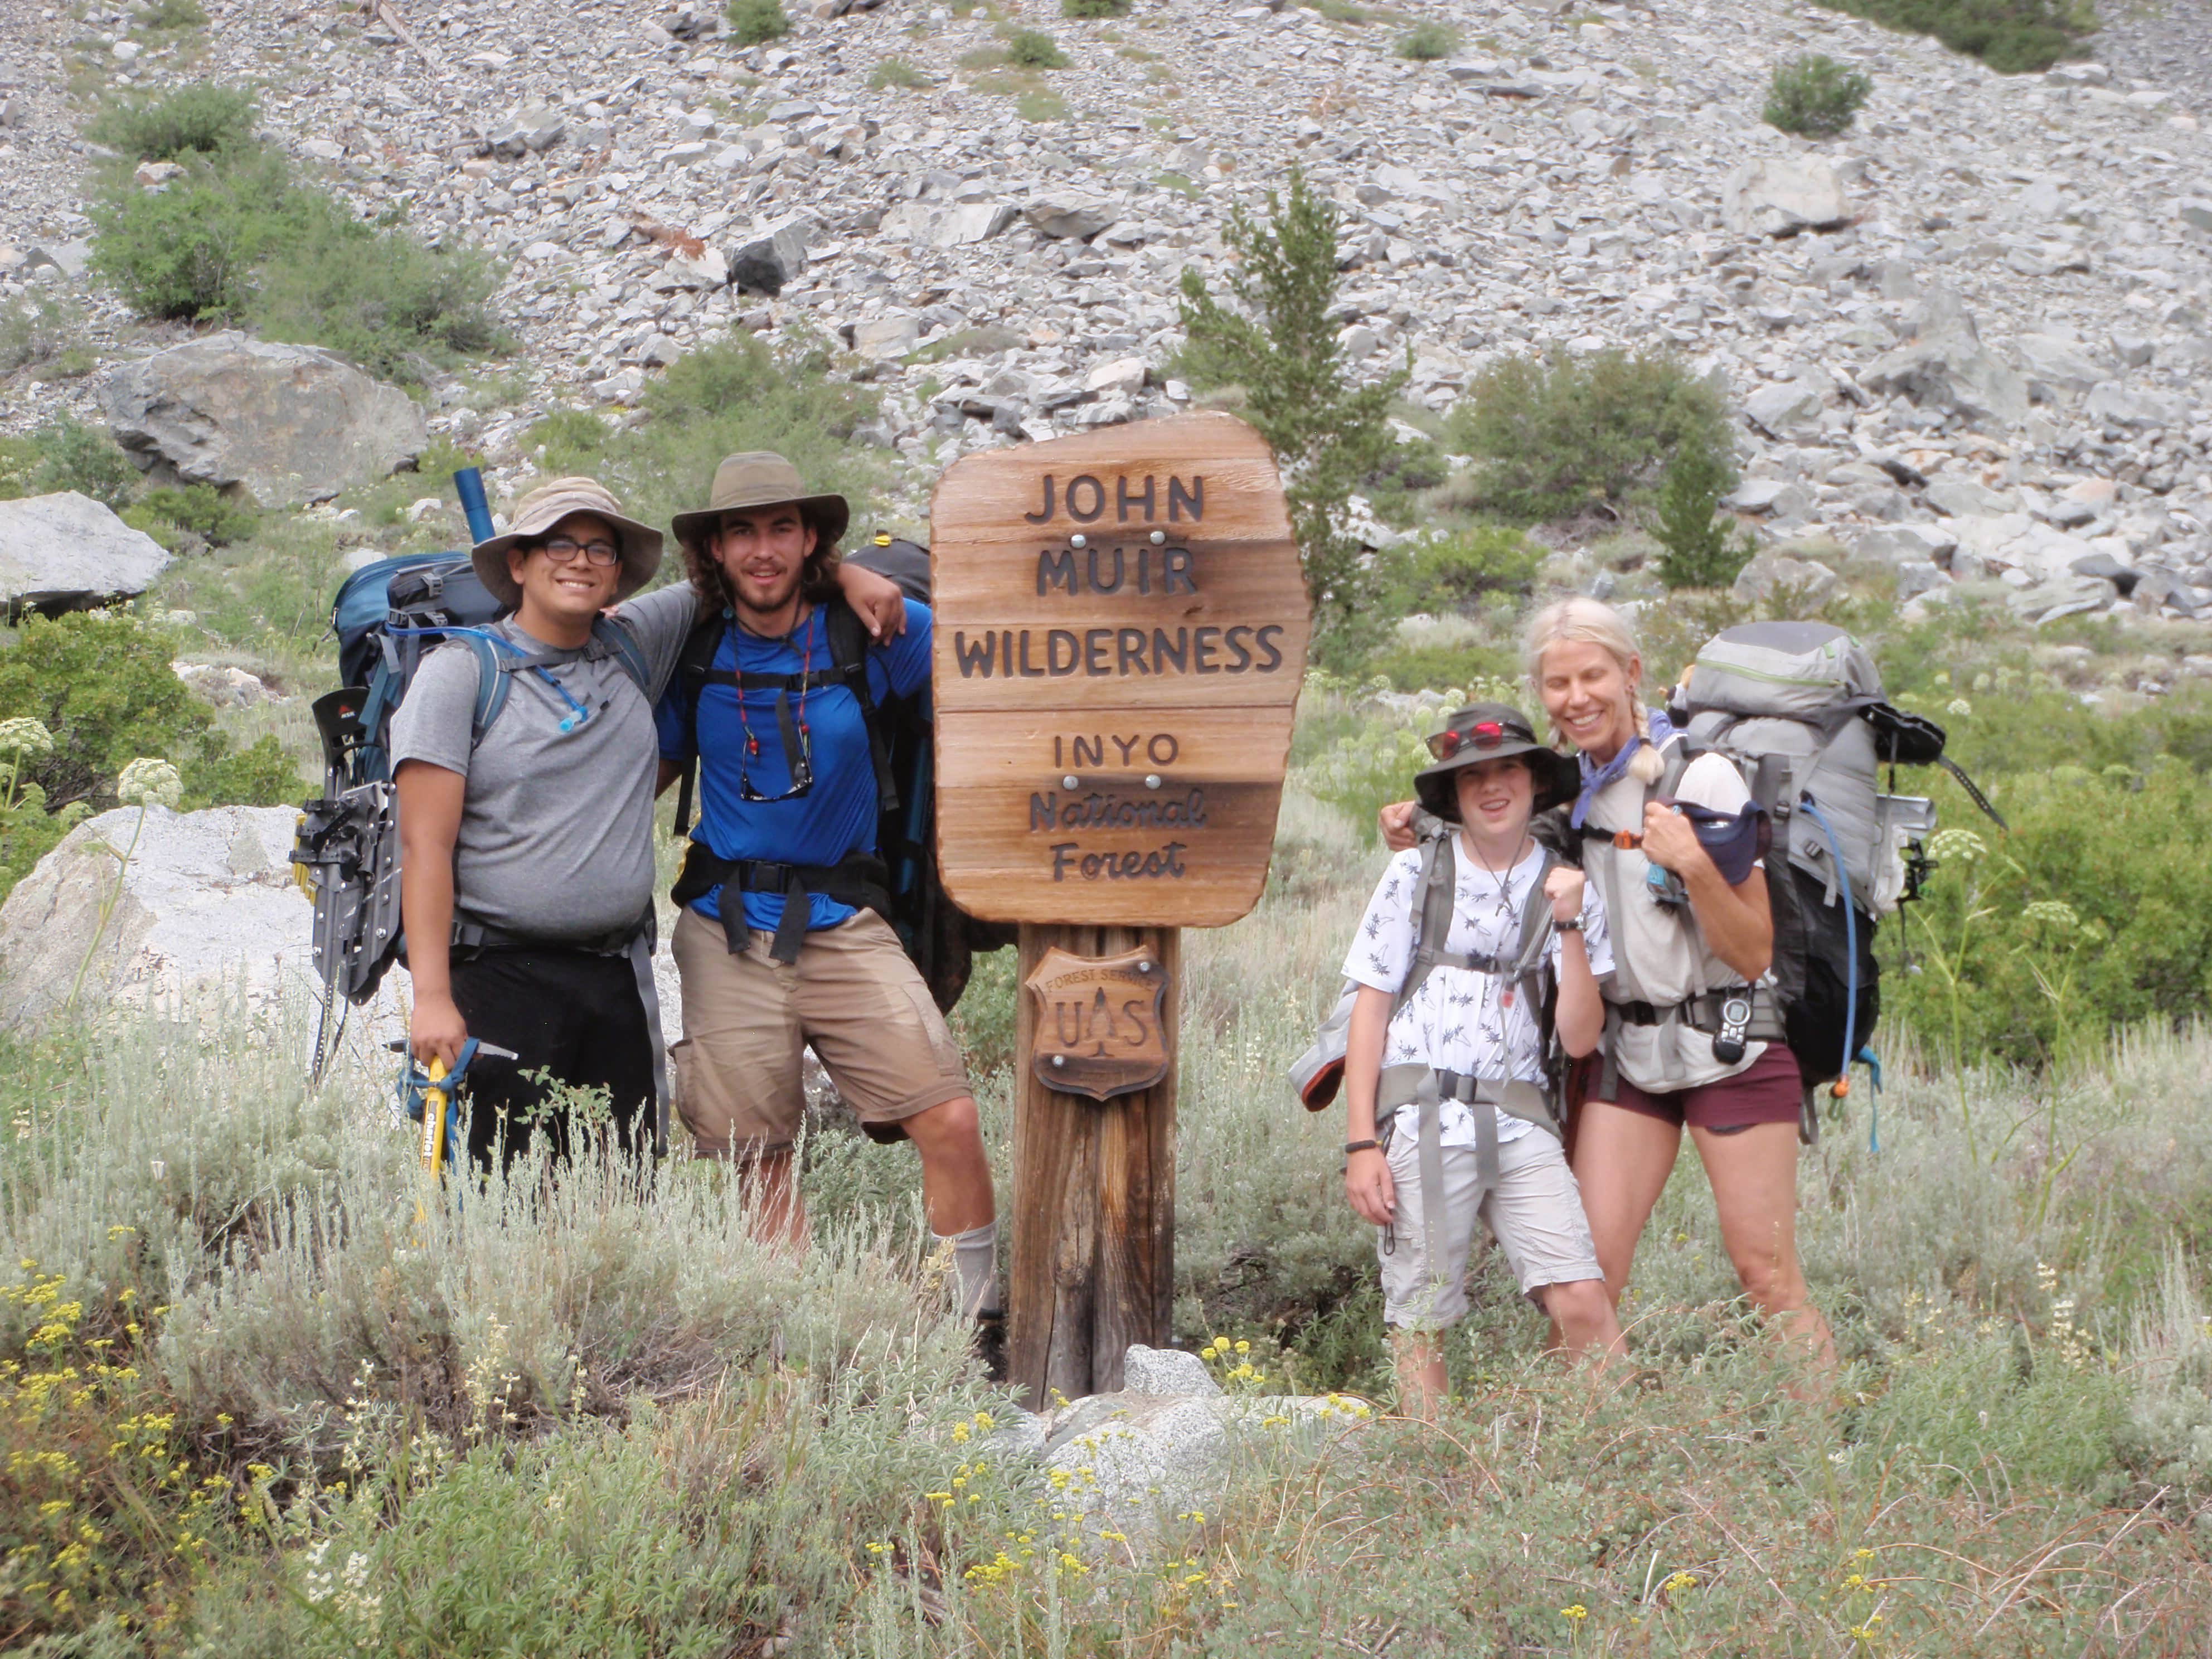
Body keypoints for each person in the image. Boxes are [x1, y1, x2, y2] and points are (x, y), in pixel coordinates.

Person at [393, 476, 904, 1174]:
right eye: (558, 544)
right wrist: (431, 999)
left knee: (623, 1190)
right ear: (518, 562)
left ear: (617, 573)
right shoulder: (461, 674)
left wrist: (846, 573)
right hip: (496, 975)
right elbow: (425, 846)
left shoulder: (634, 644)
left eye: (598, 548)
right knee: (496, 1196)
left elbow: (753, 573)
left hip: (615, 977)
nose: (579, 561)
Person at [1380, 599, 1839, 1377]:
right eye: (1556, 684)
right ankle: (1592, 1444)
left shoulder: (1702, 776)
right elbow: (1497, 850)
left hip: (1732, 1043)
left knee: (1766, 1276)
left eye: (1591, 676)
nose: (1576, 698)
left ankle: (1820, 1445)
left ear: (1630, 673)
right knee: (1585, 1284)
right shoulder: (1568, 795)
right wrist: (1422, 830)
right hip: (1628, 1052)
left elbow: (1753, 950)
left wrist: (1691, 863)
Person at [653, 453, 1002, 1346]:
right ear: (715, 550)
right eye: (742, 532)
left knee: (948, 1115)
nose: (762, 550)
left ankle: (973, 1334)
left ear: (812, 539)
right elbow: (640, 770)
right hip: (726, 930)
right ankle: (801, 1346)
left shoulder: (870, 632)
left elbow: (995, 682)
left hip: (846, 924)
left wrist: (858, 580)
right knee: (759, 1154)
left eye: (782, 529)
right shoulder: (697, 650)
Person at [1342, 703, 1623, 1418]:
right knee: (1421, 1321)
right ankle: (1430, 1467)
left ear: (1535, 782)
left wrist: (1567, 924)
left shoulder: (1568, 886)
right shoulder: (1413, 874)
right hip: (1420, 1116)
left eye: (1508, 771)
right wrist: (1361, 1144)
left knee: (1580, 1297)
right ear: (1453, 792)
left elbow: (1580, 1037)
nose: (1492, 788)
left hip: (1521, 1118)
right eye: (1473, 776)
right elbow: (1369, 1011)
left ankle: (1620, 1462)